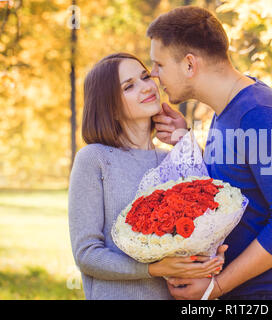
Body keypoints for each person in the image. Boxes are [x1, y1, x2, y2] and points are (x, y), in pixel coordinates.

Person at [148, 6, 272, 300]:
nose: (154, 74)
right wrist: (185, 140)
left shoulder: (258, 115)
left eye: (159, 64)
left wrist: (217, 287)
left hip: (269, 293)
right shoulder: (227, 107)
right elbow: (230, 188)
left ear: (189, 64)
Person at [68, 52, 225, 300]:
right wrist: (153, 269)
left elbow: (211, 214)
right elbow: (87, 255)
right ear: (110, 106)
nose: (146, 87)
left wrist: (208, 258)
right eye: (129, 86)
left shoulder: (173, 158)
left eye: (144, 77)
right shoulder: (94, 159)